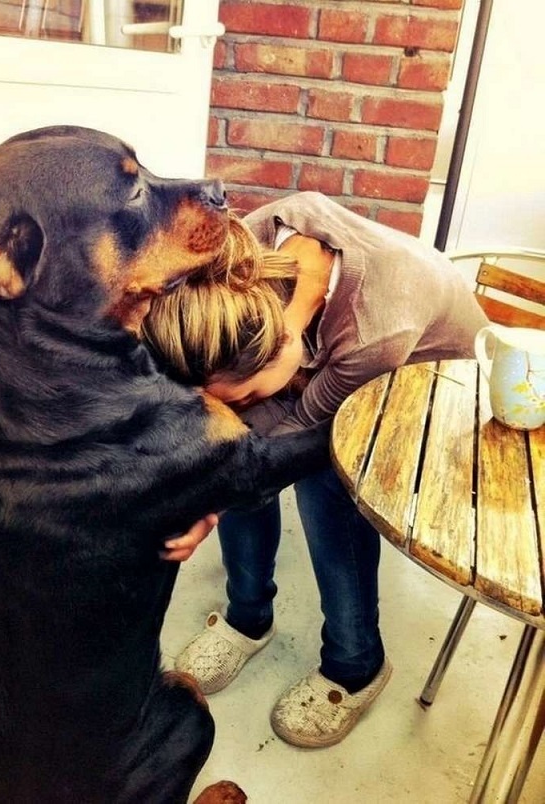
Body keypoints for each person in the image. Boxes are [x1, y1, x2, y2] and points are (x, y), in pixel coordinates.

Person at [145, 191, 489, 749]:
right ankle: (248, 616)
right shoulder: (254, 244)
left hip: (437, 402)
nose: (243, 403)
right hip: (328, 360)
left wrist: (206, 504)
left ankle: (356, 663)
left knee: (325, 482)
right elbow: (242, 431)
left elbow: (290, 436)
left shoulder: (374, 328)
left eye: (248, 392)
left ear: (282, 347)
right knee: (237, 443)